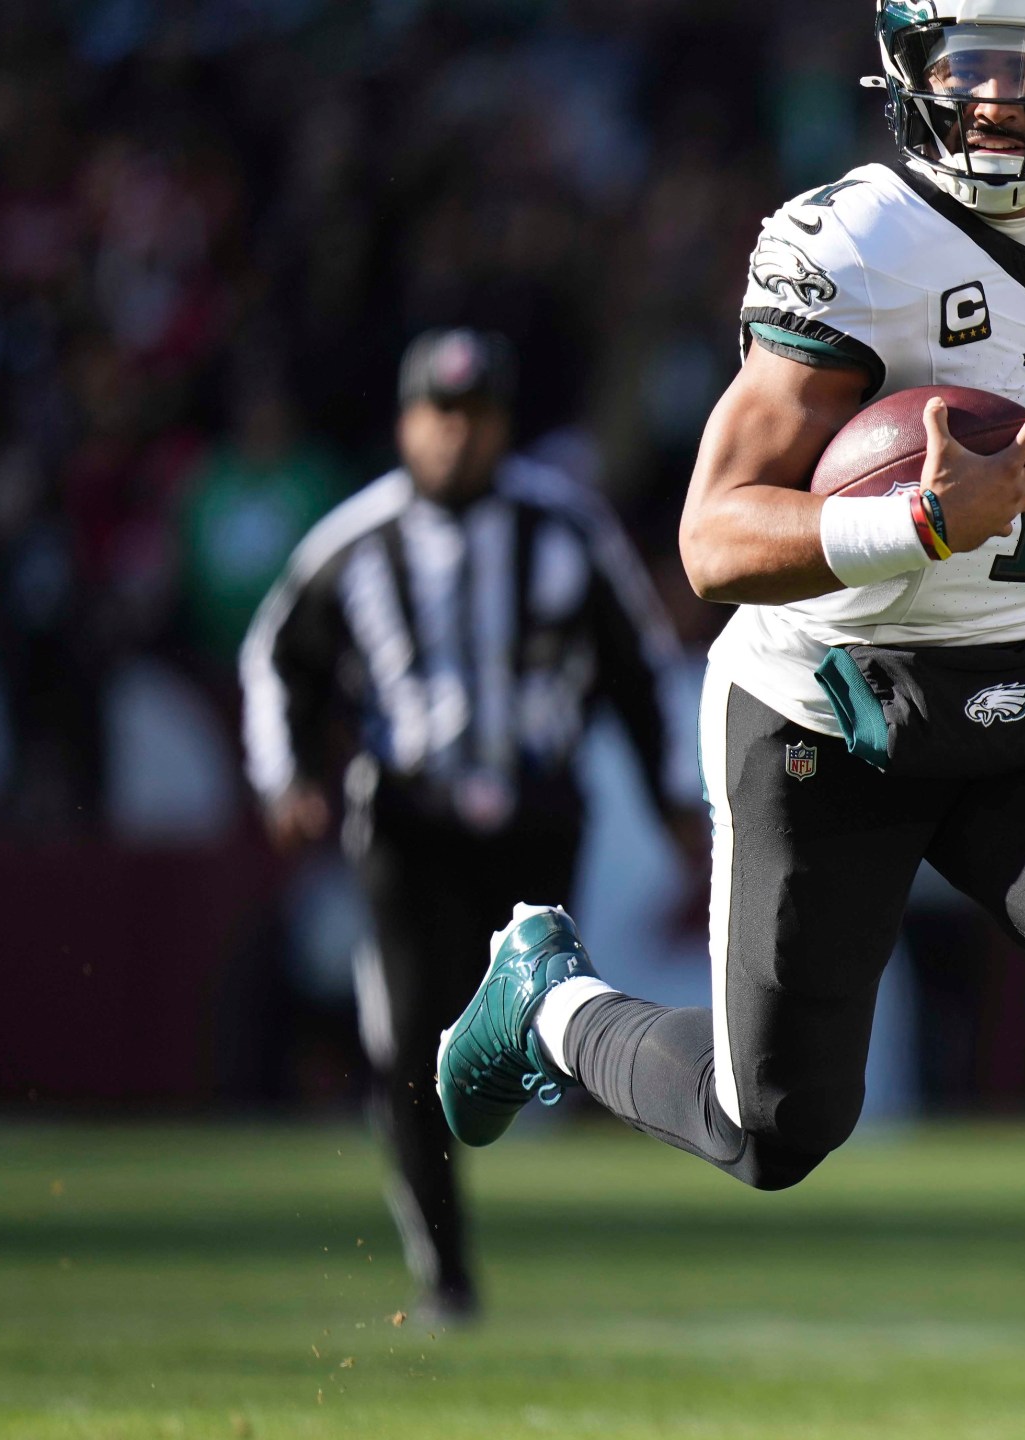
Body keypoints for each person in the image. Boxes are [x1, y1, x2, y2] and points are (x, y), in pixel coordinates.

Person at [435, 5, 1025, 1434]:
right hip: (834, 710)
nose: (996, 99)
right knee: (775, 1130)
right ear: (910, 73)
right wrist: (913, 520)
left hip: (1020, 680)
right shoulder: (853, 249)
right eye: (965, 66)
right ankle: (547, 1005)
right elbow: (711, 540)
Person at [241, 328, 700, 1324]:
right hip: (407, 818)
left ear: (503, 425)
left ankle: (585, 1138)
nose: (458, 436)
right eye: (440, 415)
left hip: (535, 816)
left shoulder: (564, 530)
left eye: (477, 415)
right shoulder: (357, 541)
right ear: (407, 423)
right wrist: (284, 778)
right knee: (408, 1036)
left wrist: (671, 797)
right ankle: (445, 1271)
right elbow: (278, 656)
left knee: (539, 1019)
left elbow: (636, 664)